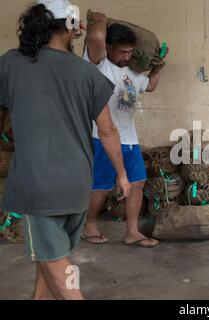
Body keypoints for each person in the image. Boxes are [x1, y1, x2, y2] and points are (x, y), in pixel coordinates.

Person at [0, 0, 131, 300]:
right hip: (76, 185)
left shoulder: (9, 64)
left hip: (38, 184)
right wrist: (121, 175)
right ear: (71, 29)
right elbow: (108, 130)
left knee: (56, 264)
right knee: (52, 253)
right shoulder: (86, 73)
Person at [83, 11, 167, 247]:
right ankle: (89, 224)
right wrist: (99, 21)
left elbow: (149, 86)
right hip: (101, 137)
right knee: (102, 186)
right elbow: (96, 38)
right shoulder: (96, 65)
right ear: (108, 48)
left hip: (129, 139)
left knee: (138, 183)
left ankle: (132, 231)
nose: (126, 56)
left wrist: (158, 67)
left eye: (130, 52)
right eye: (122, 52)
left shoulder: (132, 72)